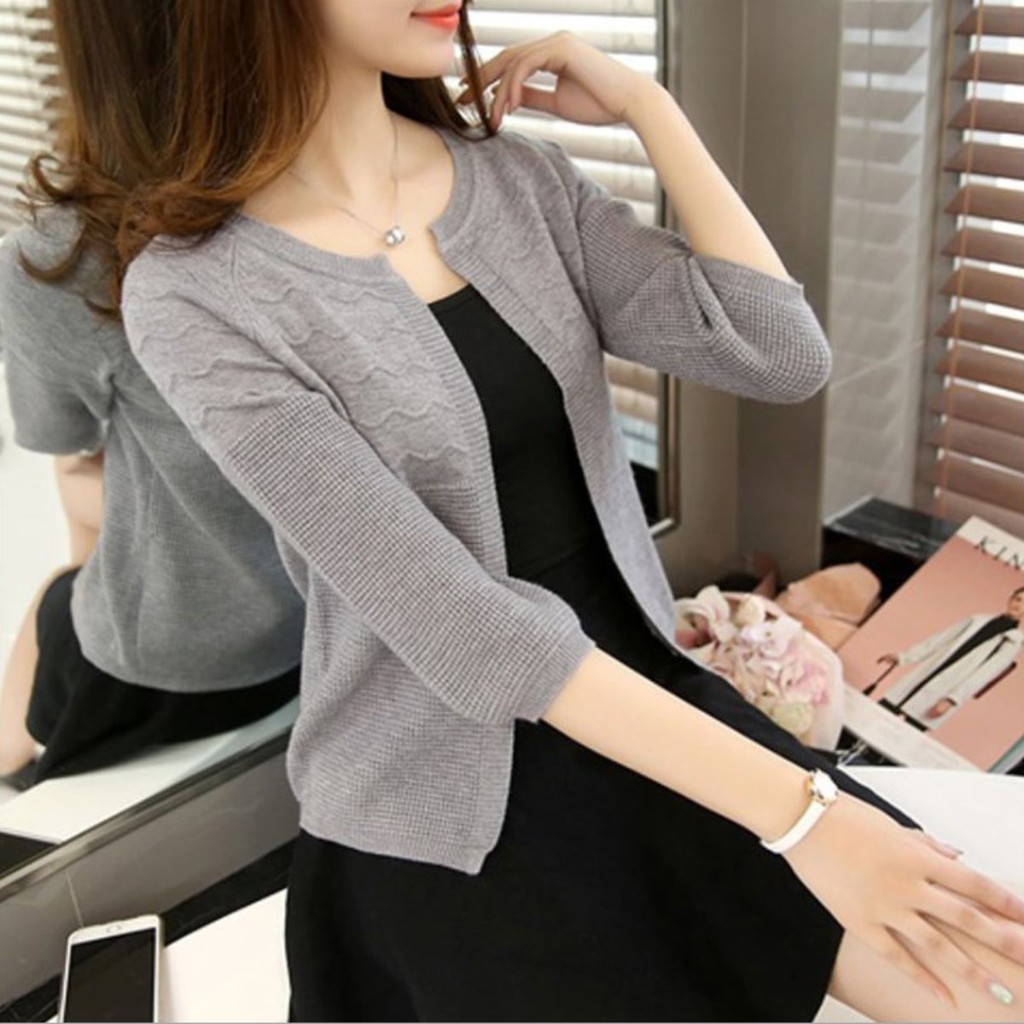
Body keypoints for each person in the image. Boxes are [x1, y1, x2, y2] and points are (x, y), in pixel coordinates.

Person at [116, 4, 1024, 1021]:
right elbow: (467, 631)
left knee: (986, 971)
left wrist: (648, 107)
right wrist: (808, 816)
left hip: (656, 709)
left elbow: (777, 352)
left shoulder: (518, 182)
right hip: (452, 790)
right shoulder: (196, 294)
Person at [0, 0, 305, 787]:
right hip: (329, 640)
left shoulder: (61, 260)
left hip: (168, 671)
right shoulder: (341, 197)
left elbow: (67, 452)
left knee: (60, 590)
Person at [872, 586, 1024, 730]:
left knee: (904, 734)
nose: (1018, 605)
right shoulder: (977, 620)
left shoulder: (1013, 640)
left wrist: (952, 699)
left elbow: (985, 674)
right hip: (927, 673)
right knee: (877, 715)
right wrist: (904, 657)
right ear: (1010, 599)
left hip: (945, 690)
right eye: (1017, 599)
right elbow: (939, 640)